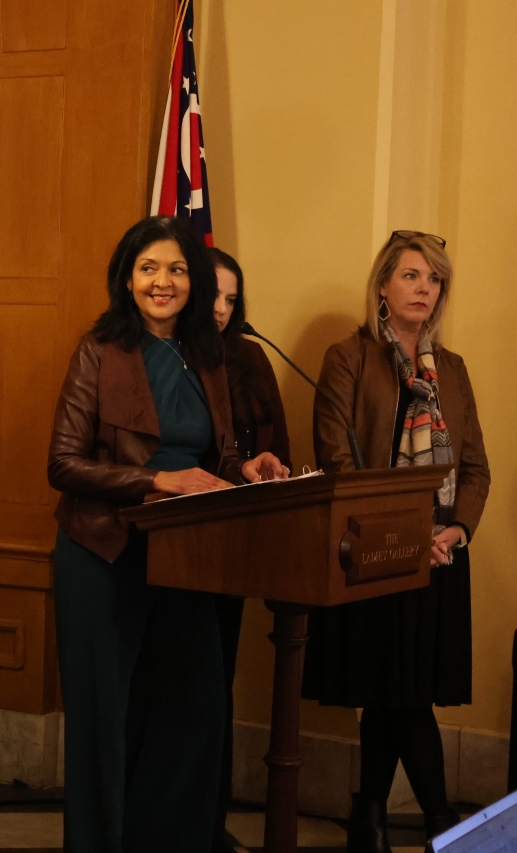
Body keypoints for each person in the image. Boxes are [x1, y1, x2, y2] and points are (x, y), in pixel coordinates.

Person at [46, 217, 286, 853]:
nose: (163, 281)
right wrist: (158, 482)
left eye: (177, 270)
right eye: (149, 268)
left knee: (194, 713)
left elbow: (213, 456)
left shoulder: (207, 355)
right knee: (106, 724)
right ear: (127, 278)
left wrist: (245, 468)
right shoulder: (99, 350)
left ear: (195, 281)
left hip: (187, 556)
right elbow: (63, 465)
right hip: (103, 552)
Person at [302, 231, 490, 852]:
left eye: (433, 280)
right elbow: (336, 460)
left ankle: (368, 816)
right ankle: (443, 825)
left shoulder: (453, 369)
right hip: (376, 549)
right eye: (411, 276)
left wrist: (456, 531)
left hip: (441, 553)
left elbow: (475, 467)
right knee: (403, 694)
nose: (424, 289)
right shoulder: (348, 356)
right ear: (382, 286)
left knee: (395, 692)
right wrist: (408, 534)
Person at [210, 247, 291, 850]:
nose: (221, 308)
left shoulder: (251, 357)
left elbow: (277, 445)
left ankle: (209, 821)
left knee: (219, 682)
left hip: (237, 541)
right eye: (212, 293)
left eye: (232, 298)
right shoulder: (168, 358)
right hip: (180, 539)